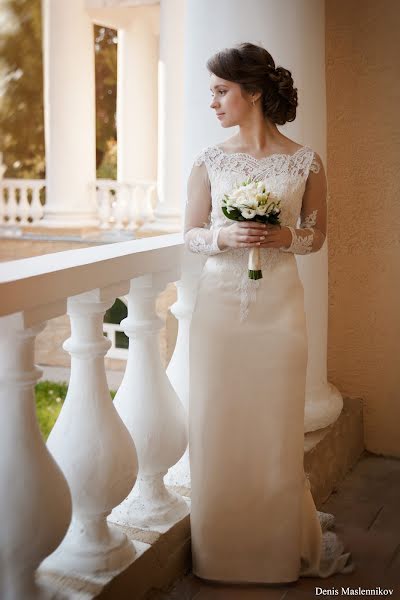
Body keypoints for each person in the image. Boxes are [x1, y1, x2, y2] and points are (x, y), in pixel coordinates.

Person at [184, 42, 355, 585]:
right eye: (212, 92)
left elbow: (315, 236)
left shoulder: (305, 160)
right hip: (218, 310)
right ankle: (221, 550)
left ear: (252, 93)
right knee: (218, 418)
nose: (212, 102)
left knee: (273, 422)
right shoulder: (209, 160)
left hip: (279, 309)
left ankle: (273, 549)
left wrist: (282, 235)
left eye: (220, 91)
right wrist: (221, 234)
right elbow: (189, 234)